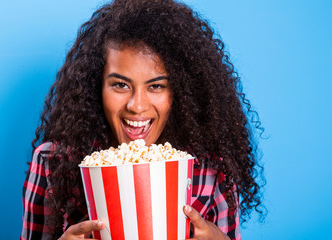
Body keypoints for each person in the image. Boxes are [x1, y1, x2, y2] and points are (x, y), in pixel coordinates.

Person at [21, 0, 264, 239]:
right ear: (97, 86)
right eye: (120, 85)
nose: (136, 106)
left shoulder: (213, 166)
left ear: (180, 91)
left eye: (156, 86)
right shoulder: (52, 161)